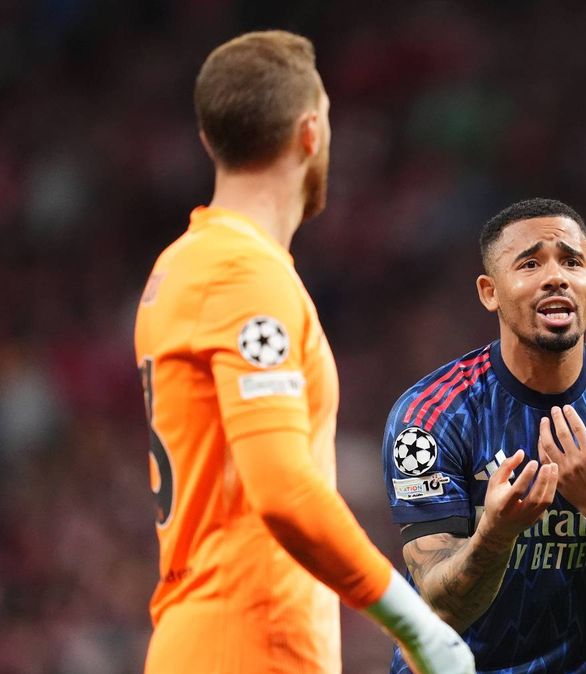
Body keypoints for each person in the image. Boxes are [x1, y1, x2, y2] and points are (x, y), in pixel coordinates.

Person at [133, 31, 472, 674]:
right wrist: (419, 627)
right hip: (248, 640)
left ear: (210, 140)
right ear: (311, 133)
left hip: (210, 636)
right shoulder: (241, 274)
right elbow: (284, 489)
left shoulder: (182, 267)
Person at [380, 197, 586, 673]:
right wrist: (497, 533)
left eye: (572, 262)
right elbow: (440, 609)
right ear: (490, 292)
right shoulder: (431, 416)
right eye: (530, 264)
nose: (555, 277)